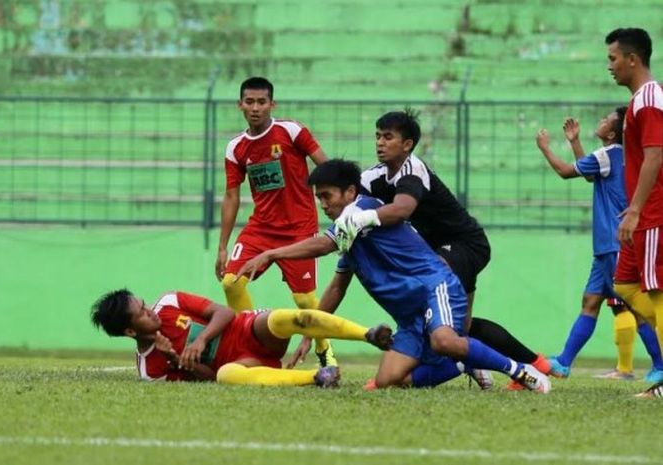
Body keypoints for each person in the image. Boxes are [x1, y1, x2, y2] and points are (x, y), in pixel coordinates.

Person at [236, 159, 551, 393]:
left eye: (327, 196)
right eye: (319, 198)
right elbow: (336, 288)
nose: (323, 205)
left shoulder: (360, 211)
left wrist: (272, 253)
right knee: (389, 381)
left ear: (349, 192)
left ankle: (520, 371)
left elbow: (322, 244)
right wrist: (310, 334)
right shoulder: (350, 233)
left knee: (444, 340)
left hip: (434, 286)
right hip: (410, 315)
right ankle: (465, 362)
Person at [332, 110, 550, 390]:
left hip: (465, 244)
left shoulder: (413, 170)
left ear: (407, 144)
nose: (380, 143)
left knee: (434, 288)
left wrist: (362, 218)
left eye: (388, 137)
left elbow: (402, 210)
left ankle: (521, 368)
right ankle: (516, 364)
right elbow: (344, 187)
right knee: (463, 329)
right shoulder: (374, 176)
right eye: (377, 136)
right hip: (437, 249)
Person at [215, 76, 336, 366]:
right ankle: (252, 344)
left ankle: (326, 355)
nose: (255, 107)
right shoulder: (236, 148)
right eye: (249, 102)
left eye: (261, 102)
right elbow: (231, 196)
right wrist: (223, 246)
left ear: (272, 104)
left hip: (300, 229)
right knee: (231, 283)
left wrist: (333, 202)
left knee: (305, 301)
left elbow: (328, 167)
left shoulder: (291, 131)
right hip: (261, 229)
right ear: (240, 105)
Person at [536, 109, 663, 382]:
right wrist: (574, 142)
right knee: (591, 301)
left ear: (613, 133)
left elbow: (566, 171)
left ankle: (659, 365)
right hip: (608, 246)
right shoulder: (622, 157)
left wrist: (545, 148)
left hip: (613, 243)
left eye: (606, 120)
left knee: (633, 306)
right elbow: (590, 173)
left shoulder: (608, 154)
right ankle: (564, 362)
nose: (602, 121)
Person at [90, 288, 392, 386]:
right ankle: (317, 376)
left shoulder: (169, 302)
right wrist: (177, 359)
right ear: (130, 331)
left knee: (285, 318)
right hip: (244, 363)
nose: (150, 311)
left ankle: (368, 334)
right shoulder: (151, 370)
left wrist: (201, 340)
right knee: (225, 375)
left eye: (143, 304)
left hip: (248, 329)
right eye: (142, 313)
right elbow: (207, 379)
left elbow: (225, 313)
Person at [605, 28, 663, 398]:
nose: (609, 66)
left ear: (632, 59)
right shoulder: (640, 101)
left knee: (656, 292)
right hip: (642, 213)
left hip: (653, 213)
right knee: (624, 284)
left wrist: (636, 210)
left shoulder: (650, 99)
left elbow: (656, 154)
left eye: (612, 58)